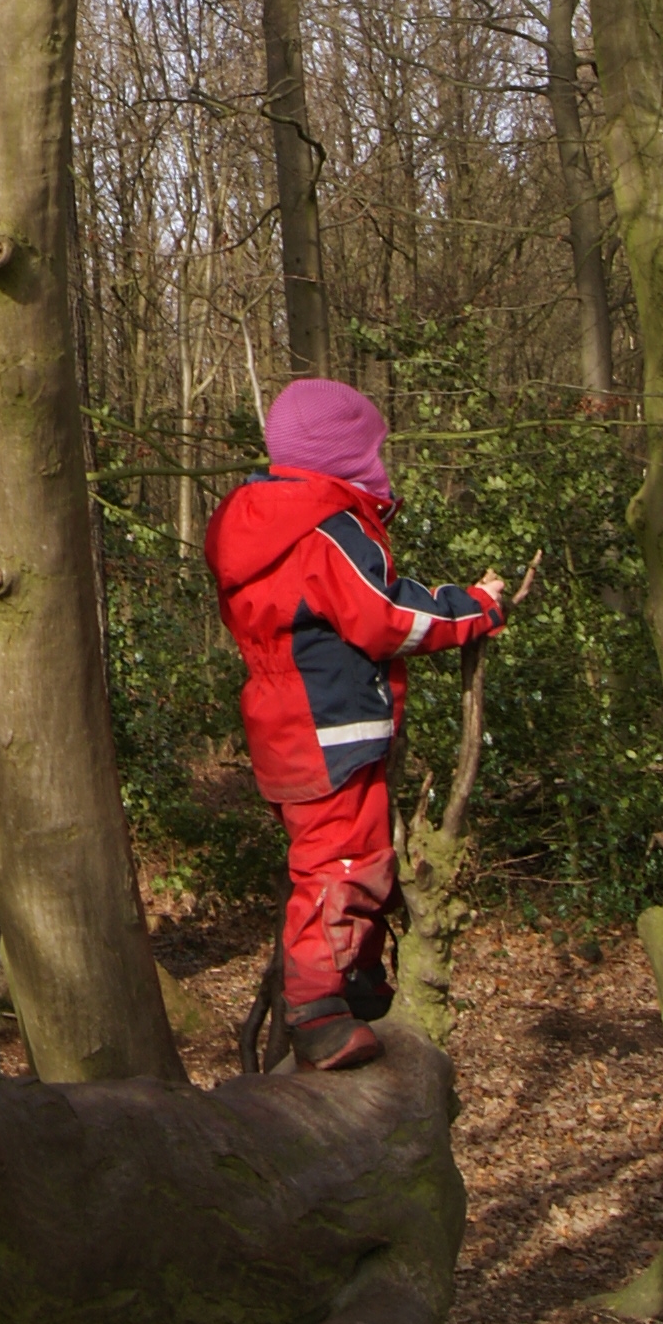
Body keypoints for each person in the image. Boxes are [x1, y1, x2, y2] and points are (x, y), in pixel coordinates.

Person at [204, 376, 504, 1070]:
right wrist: (474, 607)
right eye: (373, 451)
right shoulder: (326, 531)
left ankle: (355, 975)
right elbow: (385, 616)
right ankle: (316, 1010)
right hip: (330, 723)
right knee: (340, 860)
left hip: (283, 722)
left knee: (352, 850)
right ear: (346, 458)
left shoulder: (259, 527)